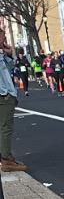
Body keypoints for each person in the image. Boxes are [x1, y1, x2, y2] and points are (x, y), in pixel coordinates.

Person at [1, 37, 26, 173]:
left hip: (6, 94)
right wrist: (6, 93)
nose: (4, 41)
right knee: (6, 127)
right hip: (4, 96)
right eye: (2, 38)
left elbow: (10, 68)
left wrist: (9, 54)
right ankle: (6, 159)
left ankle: (6, 156)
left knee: (4, 126)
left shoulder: (2, 55)